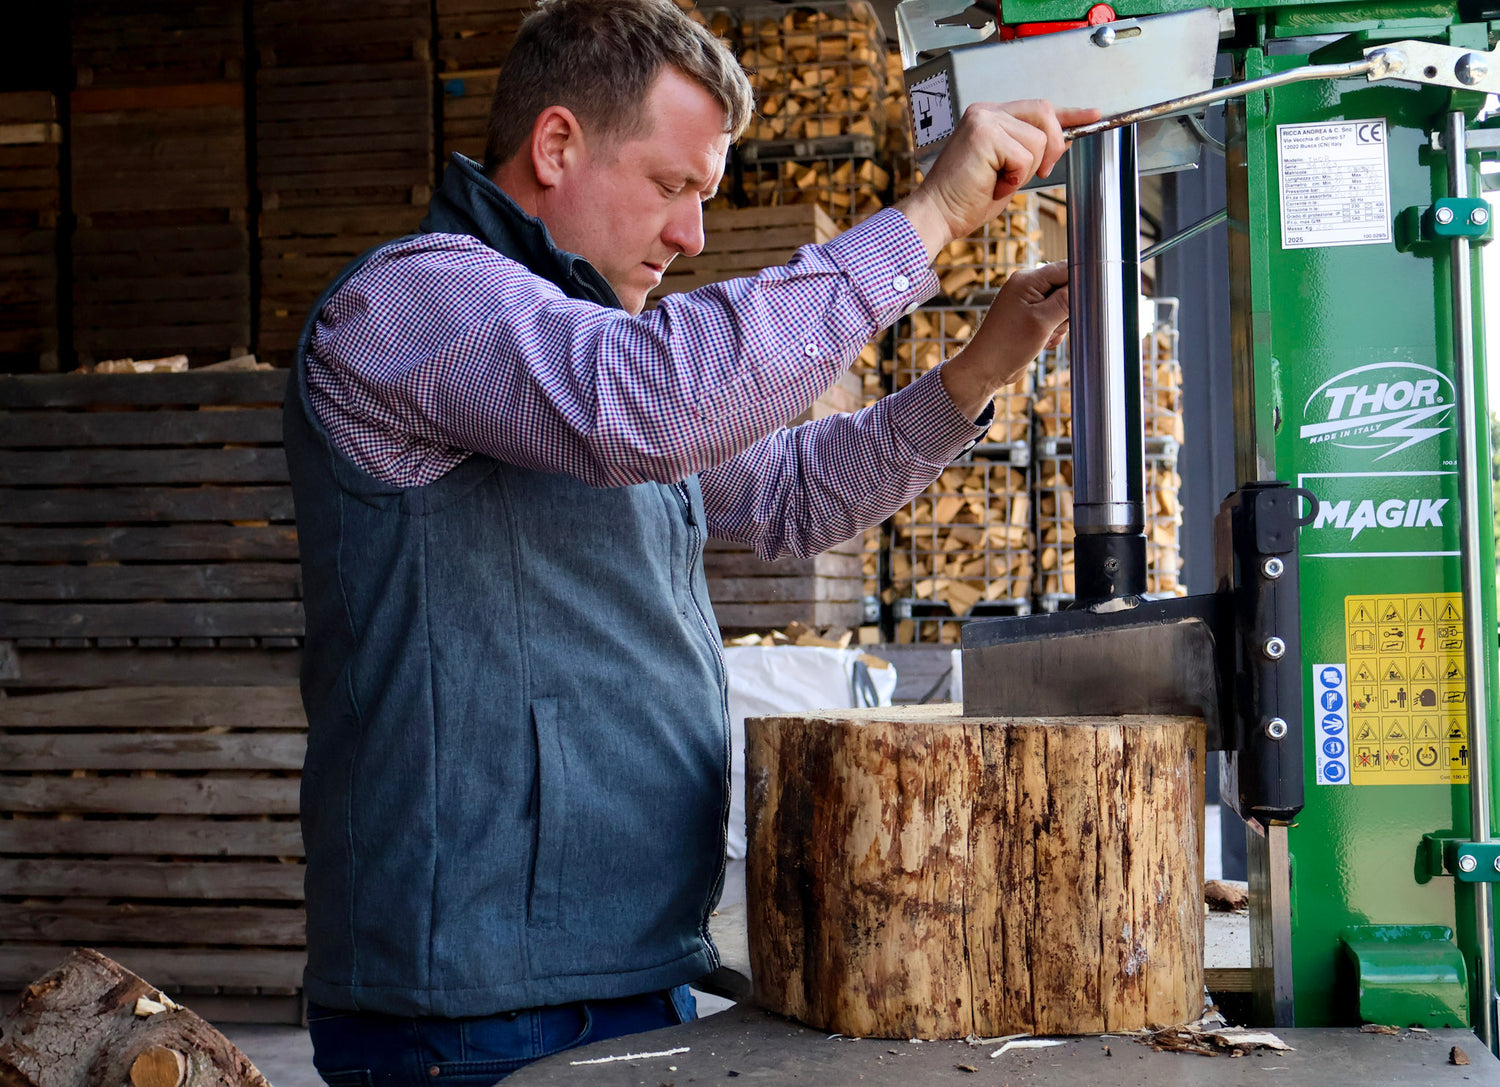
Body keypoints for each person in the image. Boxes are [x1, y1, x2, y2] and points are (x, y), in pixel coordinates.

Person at [283, 0, 1096, 1082]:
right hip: (473, 1009)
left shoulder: (573, 352)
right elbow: (652, 404)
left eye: (704, 200)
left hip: (628, 965)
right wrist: (930, 215)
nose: (693, 235)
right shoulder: (418, 303)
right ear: (558, 143)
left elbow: (795, 494)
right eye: (672, 187)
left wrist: (983, 368)